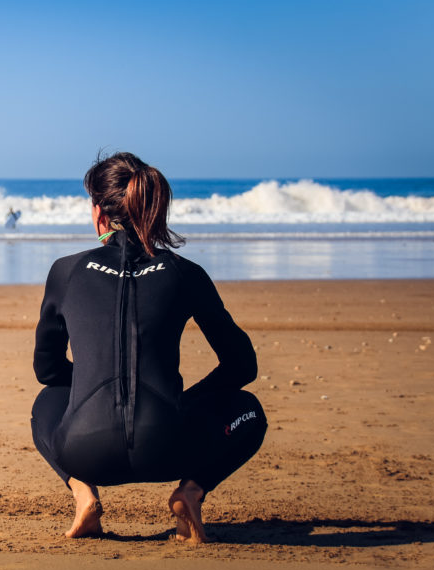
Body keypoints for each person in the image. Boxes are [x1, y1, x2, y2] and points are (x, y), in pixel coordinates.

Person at [31, 152, 266, 543]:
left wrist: (94, 382)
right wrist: (184, 400)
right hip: (170, 447)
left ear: (99, 213)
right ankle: (190, 491)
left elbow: (49, 371)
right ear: (150, 206)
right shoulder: (184, 273)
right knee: (250, 412)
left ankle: (84, 495)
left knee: (45, 403)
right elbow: (242, 367)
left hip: (84, 452)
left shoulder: (66, 271)